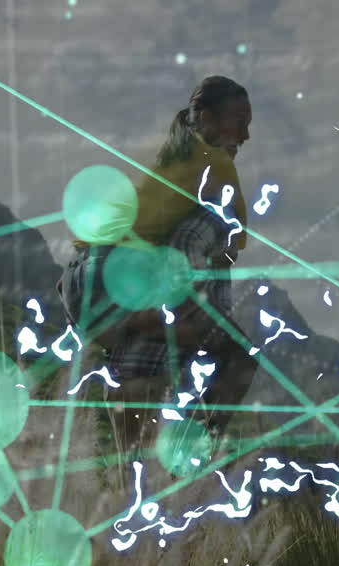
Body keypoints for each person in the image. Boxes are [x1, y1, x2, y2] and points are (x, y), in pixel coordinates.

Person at [63, 76, 259, 477]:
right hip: (113, 281)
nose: (246, 134)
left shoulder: (174, 159)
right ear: (204, 118)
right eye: (238, 119)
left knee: (226, 354)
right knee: (233, 354)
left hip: (86, 279)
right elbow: (189, 244)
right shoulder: (214, 168)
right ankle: (186, 457)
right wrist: (188, 314)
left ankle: (161, 467)